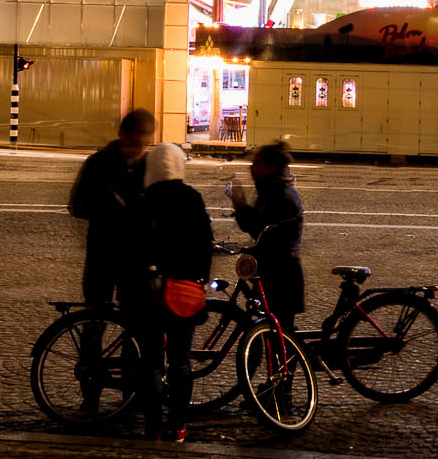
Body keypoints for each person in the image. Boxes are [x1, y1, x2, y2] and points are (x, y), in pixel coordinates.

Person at [68, 108, 156, 415]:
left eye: (144, 140)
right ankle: (90, 396)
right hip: (103, 256)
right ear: (122, 135)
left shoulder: (151, 167)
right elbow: (77, 205)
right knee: (94, 325)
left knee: (136, 328)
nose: (139, 146)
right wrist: (112, 212)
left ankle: (131, 395)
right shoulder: (99, 163)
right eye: (135, 139)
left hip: (137, 260)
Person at [140, 142, 213, 442]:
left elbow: (134, 246)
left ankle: (152, 426)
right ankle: (179, 425)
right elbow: (205, 244)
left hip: (149, 290)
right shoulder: (192, 198)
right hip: (184, 288)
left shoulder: (144, 200)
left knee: (151, 361)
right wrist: (200, 280)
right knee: (181, 359)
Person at [230, 142, 306, 334]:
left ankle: (295, 361)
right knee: (276, 329)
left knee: (280, 332)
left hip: (281, 275)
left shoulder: (279, 194)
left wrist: (239, 204)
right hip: (276, 271)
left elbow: (258, 227)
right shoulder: (272, 189)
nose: (251, 168)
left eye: (257, 164)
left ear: (271, 167)